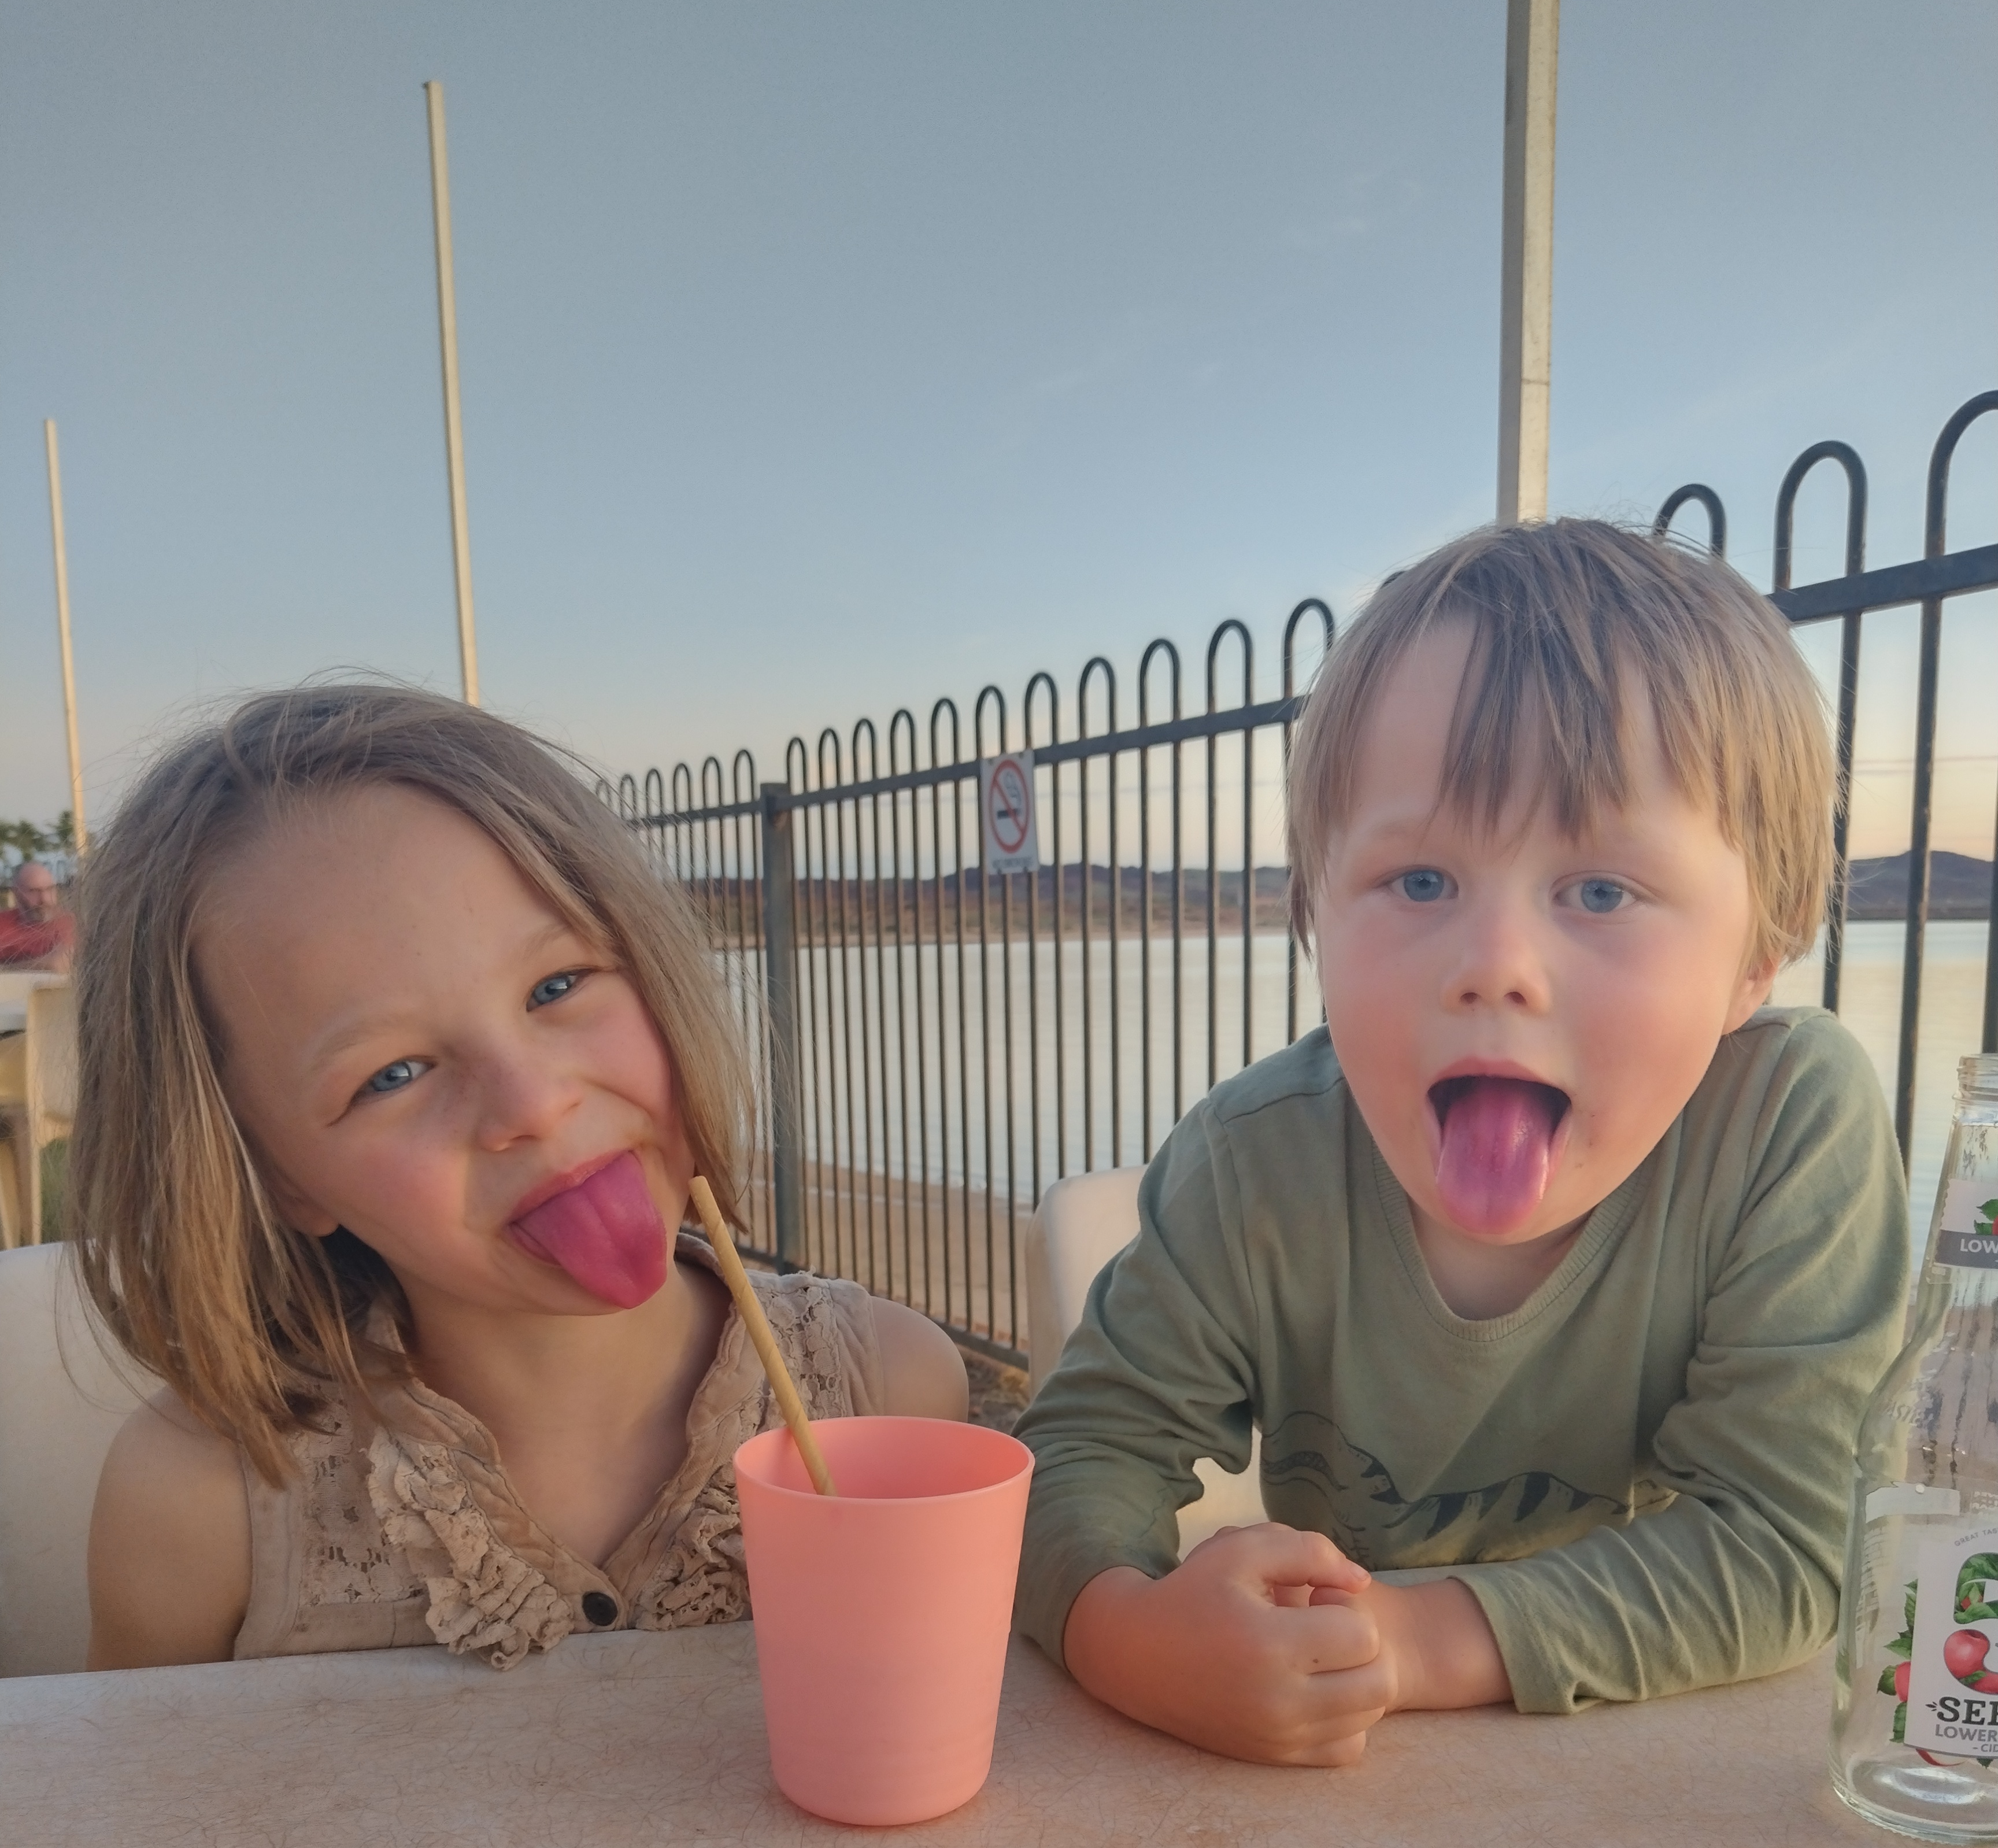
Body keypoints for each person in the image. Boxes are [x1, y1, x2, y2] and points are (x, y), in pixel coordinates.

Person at [1015, 519, 1907, 1764]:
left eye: (1600, 891)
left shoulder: (1784, 1129)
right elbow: (1077, 1454)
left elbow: (1783, 1541)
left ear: (1757, 954)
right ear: (1315, 911)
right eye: (1422, 882)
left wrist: (1408, 1642)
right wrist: (1129, 1638)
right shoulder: (1253, 1166)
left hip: (1661, 1779)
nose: (1496, 967)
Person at [75, 684, 967, 1669]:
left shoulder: (893, 1389)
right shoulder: (199, 1509)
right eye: (392, 1074)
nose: (534, 1103)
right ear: (278, 1177)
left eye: (557, 985)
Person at [0, 859, 76, 970]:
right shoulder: (3, 923)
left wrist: (6, 969)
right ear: (17, 893)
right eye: (34, 891)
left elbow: (59, 964)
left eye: (50, 889)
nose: (44, 900)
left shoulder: (66, 923)